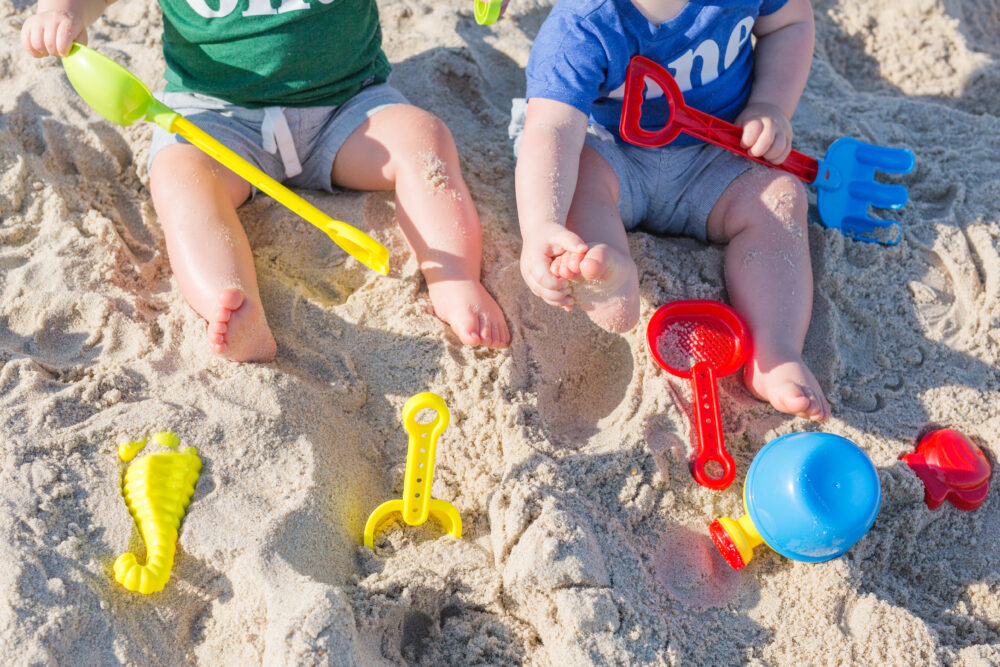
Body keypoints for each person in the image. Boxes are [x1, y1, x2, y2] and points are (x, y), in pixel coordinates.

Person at [21, 0, 510, 362]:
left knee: (423, 141)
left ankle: (454, 278)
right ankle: (230, 300)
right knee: (180, 179)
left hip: (347, 104)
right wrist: (65, 10)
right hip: (215, 118)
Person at [514, 0, 830, 421]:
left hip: (715, 155)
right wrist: (542, 224)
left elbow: (789, 22)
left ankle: (775, 349)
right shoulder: (585, 23)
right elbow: (552, 127)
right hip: (612, 153)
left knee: (780, 197)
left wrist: (772, 105)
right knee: (576, 188)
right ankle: (608, 278)